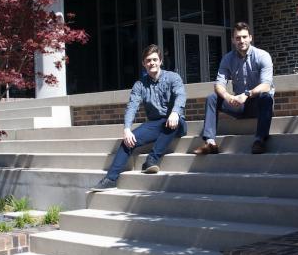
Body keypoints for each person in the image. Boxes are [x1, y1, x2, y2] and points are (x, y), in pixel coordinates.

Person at [92, 45, 187, 190]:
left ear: (161, 61)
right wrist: (127, 129)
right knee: (129, 141)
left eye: (155, 59)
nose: (152, 63)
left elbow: (181, 95)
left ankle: (152, 160)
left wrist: (175, 112)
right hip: (155, 124)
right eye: (148, 60)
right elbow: (132, 106)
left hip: (175, 121)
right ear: (144, 63)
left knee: (174, 122)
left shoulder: (173, 77)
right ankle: (110, 179)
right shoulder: (140, 85)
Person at [194, 22, 274, 155]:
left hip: (257, 104)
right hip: (239, 105)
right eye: (237, 38)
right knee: (212, 98)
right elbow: (218, 84)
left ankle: (259, 140)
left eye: (244, 37)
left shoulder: (262, 56)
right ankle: (210, 143)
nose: (241, 41)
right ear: (232, 40)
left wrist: (247, 94)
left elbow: (266, 85)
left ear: (250, 38)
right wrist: (228, 97)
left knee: (266, 96)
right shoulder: (227, 59)